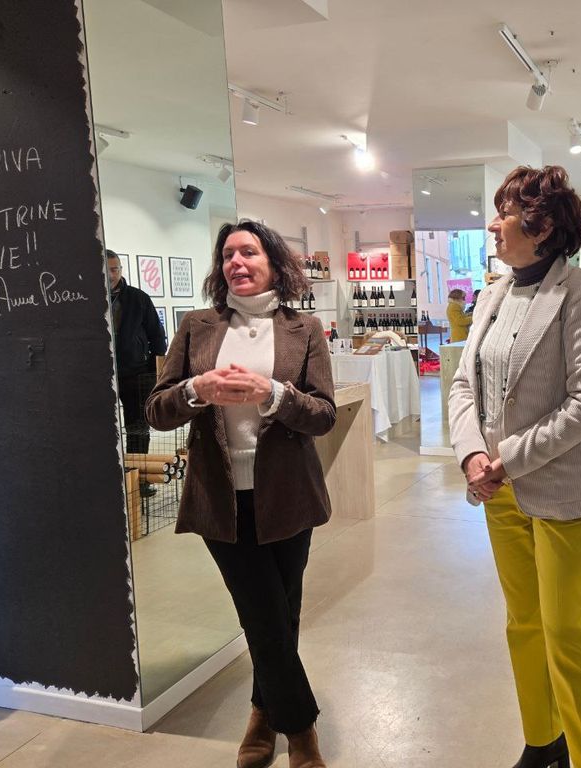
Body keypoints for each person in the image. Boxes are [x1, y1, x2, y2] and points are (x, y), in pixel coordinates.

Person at [448, 165, 581, 768]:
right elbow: (463, 385)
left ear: (542, 226)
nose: (493, 224)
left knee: (567, 633)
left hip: (562, 489)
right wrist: (472, 453)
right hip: (498, 490)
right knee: (523, 623)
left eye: (505, 212)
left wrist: (508, 459)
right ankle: (544, 739)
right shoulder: (492, 294)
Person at [146, 220, 337, 768]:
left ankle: (262, 711)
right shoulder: (197, 327)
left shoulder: (305, 329)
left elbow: (323, 415)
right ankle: (300, 729)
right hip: (220, 498)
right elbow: (157, 410)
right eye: (228, 254)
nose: (237, 262)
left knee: (281, 611)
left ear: (273, 263)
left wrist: (272, 393)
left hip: (289, 495)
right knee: (263, 611)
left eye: (249, 252)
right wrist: (196, 389)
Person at [107, 250, 167, 459]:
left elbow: (157, 336)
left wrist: (153, 372)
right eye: (106, 270)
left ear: (121, 269)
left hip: (137, 374)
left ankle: (138, 471)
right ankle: (111, 472)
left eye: (115, 269)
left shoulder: (138, 298)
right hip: (102, 375)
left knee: (138, 428)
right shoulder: (89, 300)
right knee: (102, 425)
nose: (111, 275)